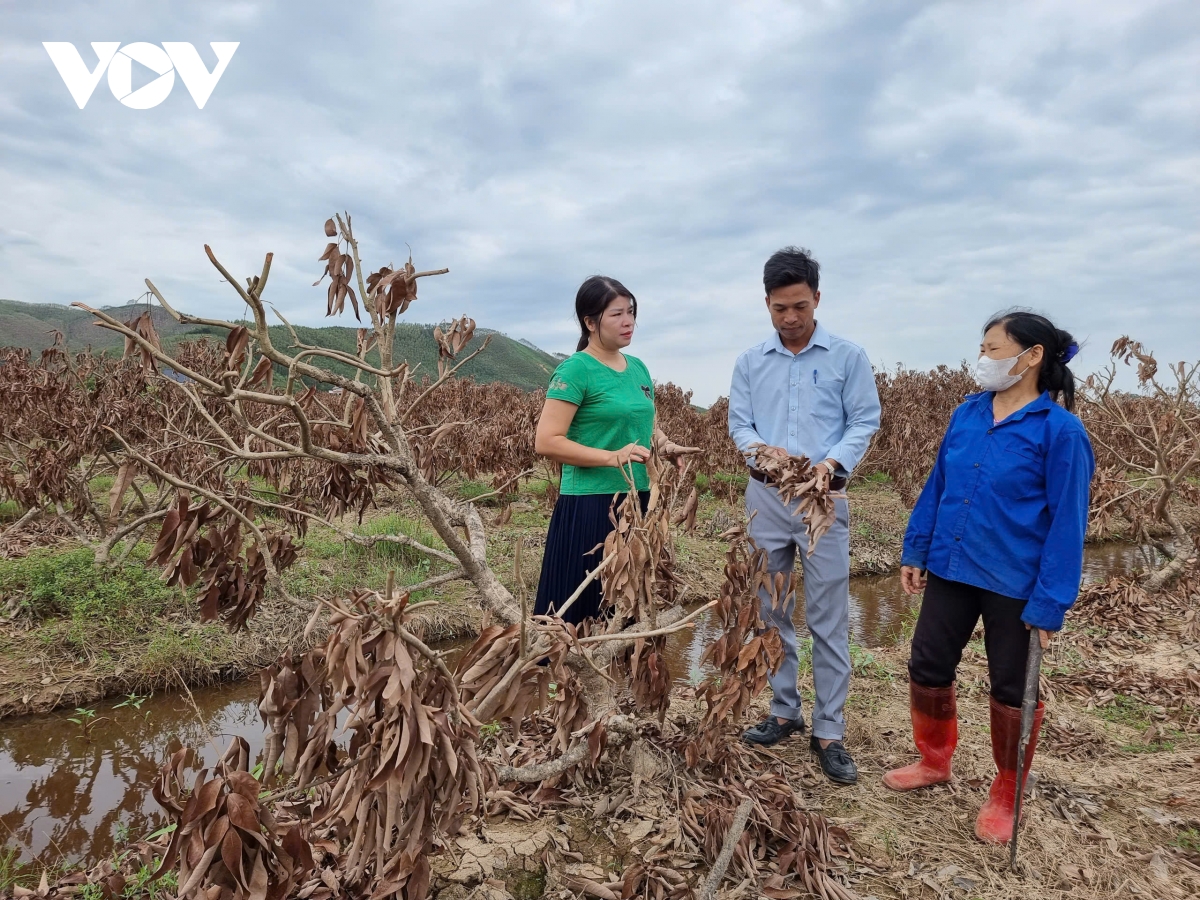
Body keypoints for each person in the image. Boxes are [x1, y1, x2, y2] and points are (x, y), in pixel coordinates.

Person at [885, 310, 1094, 844]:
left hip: (1015, 582)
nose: (984, 358)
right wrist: (917, 547)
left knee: (1011, 687)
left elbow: (1068, 523)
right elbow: (939, 484)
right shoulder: (968, 413)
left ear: (1031, 356)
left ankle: (1007, 789)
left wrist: (1051, 603)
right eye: (983, 347)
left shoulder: (1060, 432)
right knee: (928, 663)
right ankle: (934, 760)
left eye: (994, 348)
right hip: (954, 565)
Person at [728, 246, 881, 784]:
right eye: (779, 308)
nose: (790, 317)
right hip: (766, 497)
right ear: (766, 304)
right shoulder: (750, 362)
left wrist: (832, 462)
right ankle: (783, 711)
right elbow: (740, 427)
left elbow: (864, 419)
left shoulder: (847, 357)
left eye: (799, 306)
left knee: (828, 617)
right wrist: (767, 455)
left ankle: (830, 731)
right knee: (771, 609)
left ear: (817, 298)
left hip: (824, 501)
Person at [533, 275, 695, 625]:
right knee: (578, 618)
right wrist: (611, 457)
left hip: (637, 502)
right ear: (590, 323)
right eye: (617, 314)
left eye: (632, 313)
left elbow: (642, 427)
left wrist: (664, 445)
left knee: (627, 610)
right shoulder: (576, 369)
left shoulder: (637, 368)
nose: (628, 322)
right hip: (590, 504)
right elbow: (547, 440)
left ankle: (616, 682)